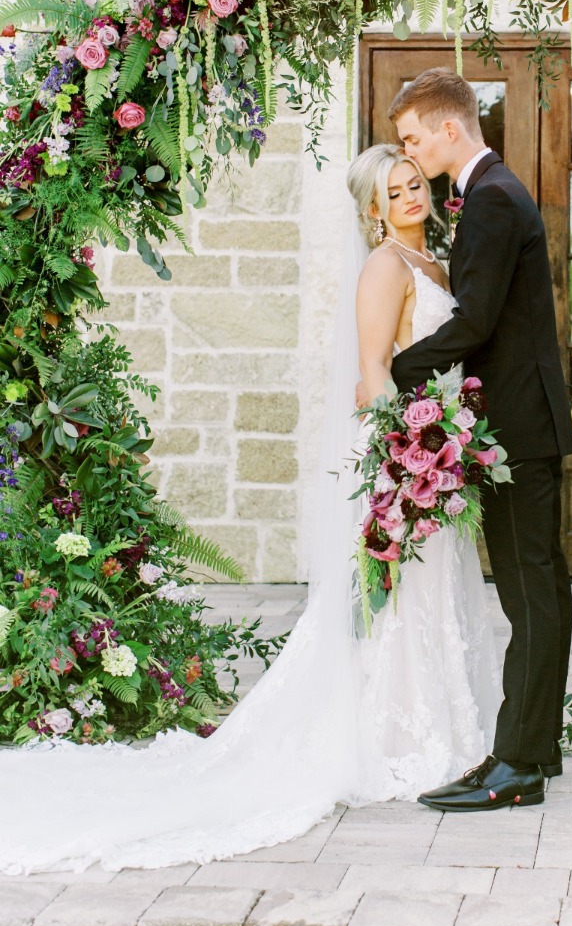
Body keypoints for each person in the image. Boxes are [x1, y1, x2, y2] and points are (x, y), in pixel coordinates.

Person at [0, 145, 500, 874]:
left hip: (437, 447)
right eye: (394, 191)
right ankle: (396, 739)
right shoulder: (386, 266)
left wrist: (446, 444)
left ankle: (442, 731)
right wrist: (404, 463)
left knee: (432, 591)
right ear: (372, 209)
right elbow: (371, 376)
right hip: (399, 452)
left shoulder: (437, 265)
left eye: (415, 183)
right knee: (396, 595)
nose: (411, 197)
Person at [387, 68, 572, 814]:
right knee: (542, 589)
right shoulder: (497, 192)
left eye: (411, 137)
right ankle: (540, 746)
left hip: (518, 430)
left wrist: (399, 371)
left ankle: (517, 765)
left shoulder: (493, 199)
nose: (407, 152)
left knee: (530, 594)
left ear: (448, 129)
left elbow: (475, 323)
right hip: (525, 423)